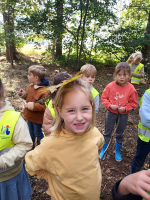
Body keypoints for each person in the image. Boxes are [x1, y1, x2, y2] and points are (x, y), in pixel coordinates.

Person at [25, 78, 104, 200]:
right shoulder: (50, 145)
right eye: (71, 110)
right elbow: (30, 165)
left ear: (92, 107)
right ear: (60, 111)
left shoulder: (94, 133)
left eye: (85, 109)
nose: (79, 117)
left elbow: (98, 145)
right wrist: (52, 176)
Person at [0, 79, 33, 200]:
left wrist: (3, 161)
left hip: (8, 178)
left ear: (1, 92)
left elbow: (24, 145)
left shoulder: (13, 119)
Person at [99, 62, 138, 161]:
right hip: (111, 113)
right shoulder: (110, 86)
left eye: (124, 75)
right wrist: (110, 105)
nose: (122, 77)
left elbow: (133, 103)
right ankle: (104, 149)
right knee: (107, 132)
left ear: (129, 75)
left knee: (120, 133)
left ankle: (117, 151)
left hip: (123, 115)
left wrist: (125, 108)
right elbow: (104, 98)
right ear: (115, 75)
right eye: (119, 74)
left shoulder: (131, 88)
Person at [18, 65, 49, 146]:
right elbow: (27, 97)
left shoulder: (44, 91)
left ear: (36, 78)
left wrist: (32, 106)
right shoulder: (31, 87)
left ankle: (41, 145)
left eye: (30, 75)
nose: (28, 76)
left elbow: (45, 106)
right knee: (30, 132)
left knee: (37, 132)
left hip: (37, 118)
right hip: (29, 116)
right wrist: (23, 94)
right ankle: (31, 145)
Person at [43, 71, 71, 136]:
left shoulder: (75, 101)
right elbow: (48, 127)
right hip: (56, 138)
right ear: (56, 90)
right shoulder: (51, 106)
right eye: (65, 88)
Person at [130, 88, 150, 174]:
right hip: (146, 138)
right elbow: (146, 119)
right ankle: (132, 179)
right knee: (139, 160)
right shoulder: (148, 94)